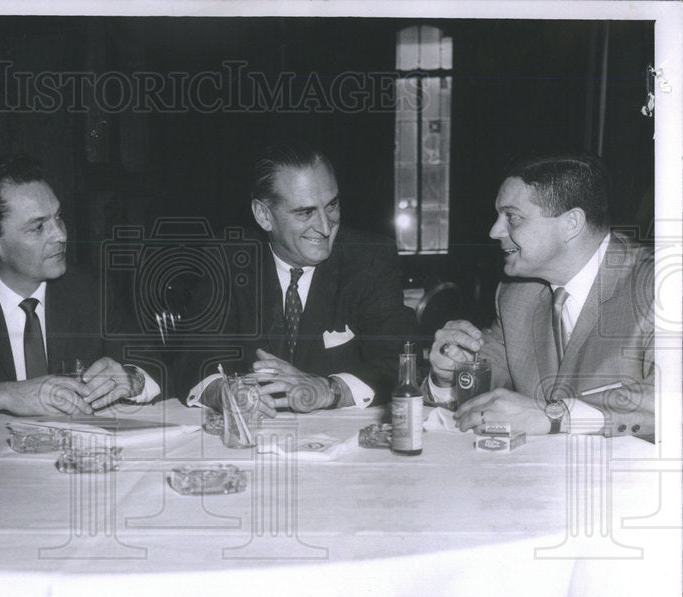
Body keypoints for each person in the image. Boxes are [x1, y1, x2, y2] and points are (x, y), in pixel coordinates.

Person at [0, 154, 159, 420]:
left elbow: (156, 368)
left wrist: (133, 379)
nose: (61, 234)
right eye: (38, 227)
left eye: (58, 217)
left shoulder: (93, 291)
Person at [177, 144, 417, 414]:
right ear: (264, 215)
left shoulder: (370, 259)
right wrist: (223, 392)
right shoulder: (228, 260)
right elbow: (194, 363)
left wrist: (328, 390)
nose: (325, 227)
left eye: (332, 206)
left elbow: (399, 363)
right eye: (305, 212)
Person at [428, 153, 654, 438]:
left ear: (571, 223)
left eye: (512, 217)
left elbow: (671, 397)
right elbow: (484, 377)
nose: (494, 231)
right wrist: (449, 372)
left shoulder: (661, 286)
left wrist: (555, 416)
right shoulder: (516, 295)